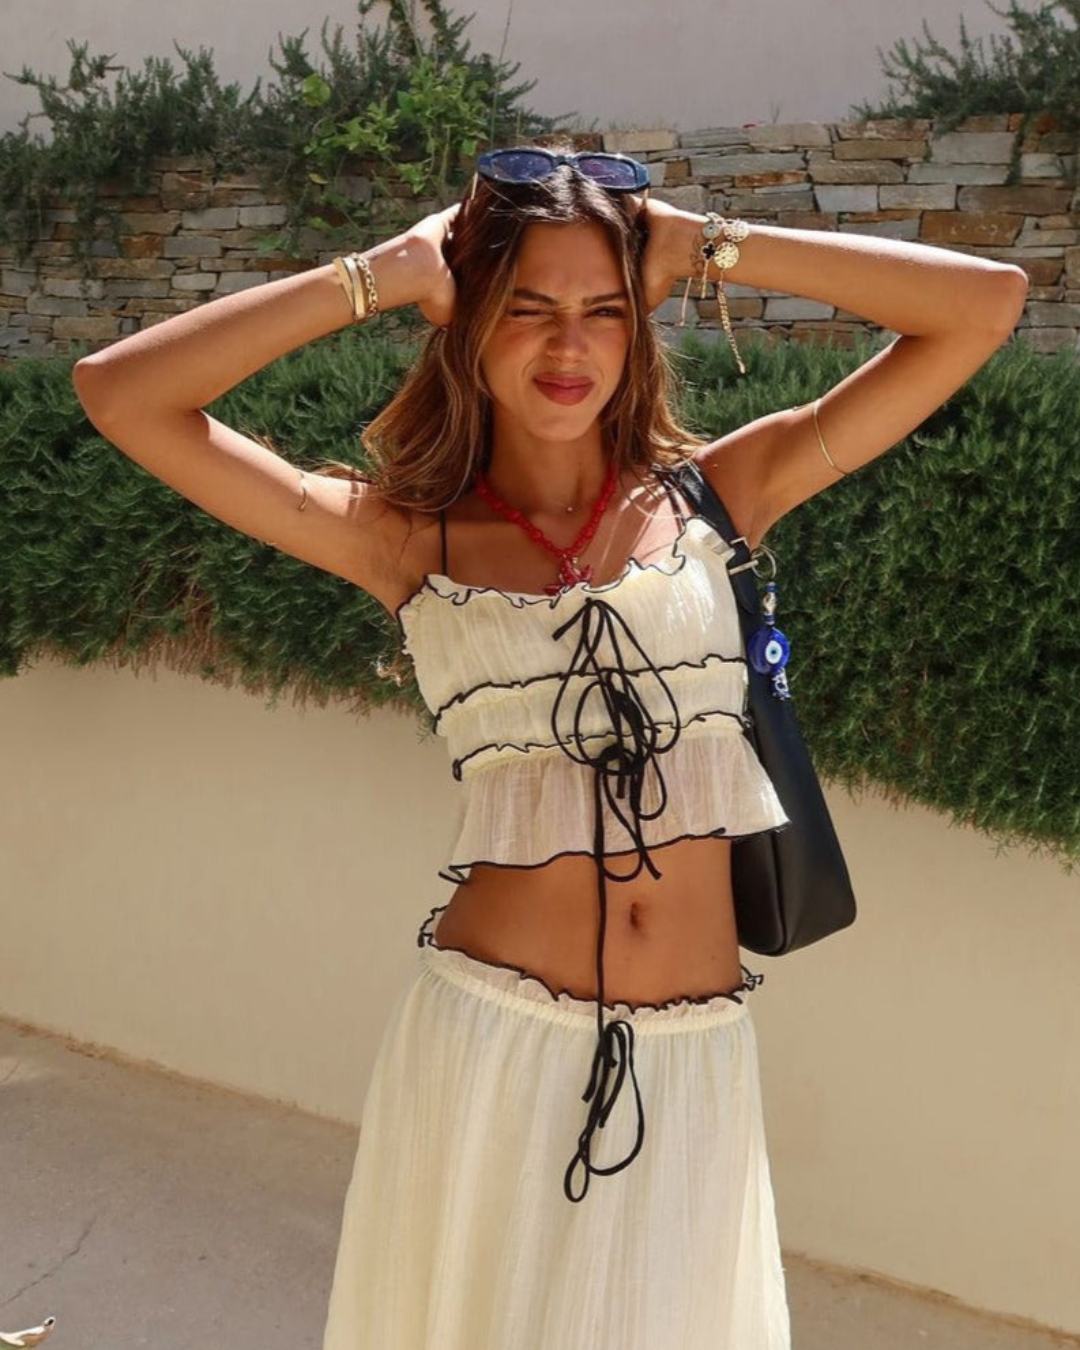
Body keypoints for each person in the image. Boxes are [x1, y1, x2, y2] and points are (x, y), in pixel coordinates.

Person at [72, 143, 1028, 1349]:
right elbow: (122, 396)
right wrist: (382, 275)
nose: (568, 347)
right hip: (491, 1052)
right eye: (527, 309)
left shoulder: (722, 495)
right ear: (470, 324)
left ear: (639, 329)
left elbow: (983, 309)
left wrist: (709, 244)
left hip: (692, 1064)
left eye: (602, 311)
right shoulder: (406, 539)